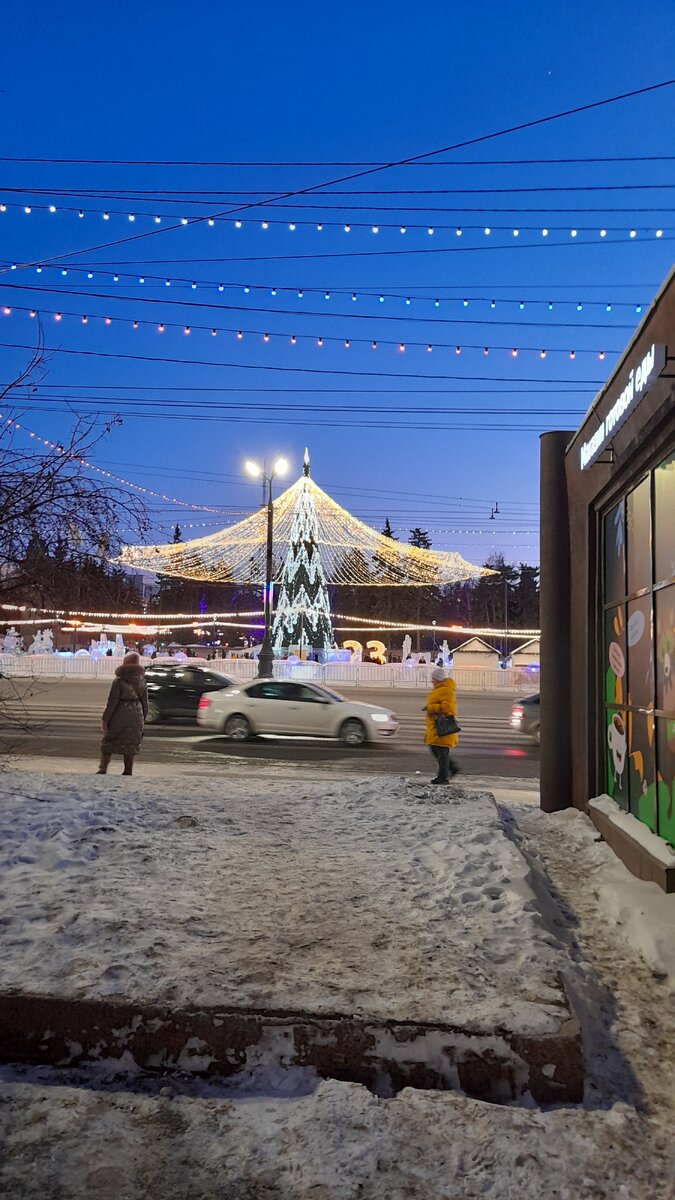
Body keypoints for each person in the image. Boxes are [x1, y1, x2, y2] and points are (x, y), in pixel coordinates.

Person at [98, 651, 148, 776]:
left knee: (109, 741)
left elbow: (112, 702)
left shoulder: (119, 681)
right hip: (137, 715)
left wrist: (105, 720)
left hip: (120, 714)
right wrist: (142, 719)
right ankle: (128, 771)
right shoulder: (142, 681)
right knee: (130, 745)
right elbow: (145, 704)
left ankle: (103, 768)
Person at [424, 666, 460, 784]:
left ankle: (443, 777)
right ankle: (452, 768)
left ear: (439, 679)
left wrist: (431, 708)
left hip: (441, 726)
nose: (432, 681)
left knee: (441, 753)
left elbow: (448, 708)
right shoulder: (439, 689)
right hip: (435, 726)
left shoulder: (445, 690)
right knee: (437, 750)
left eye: (433, 679)